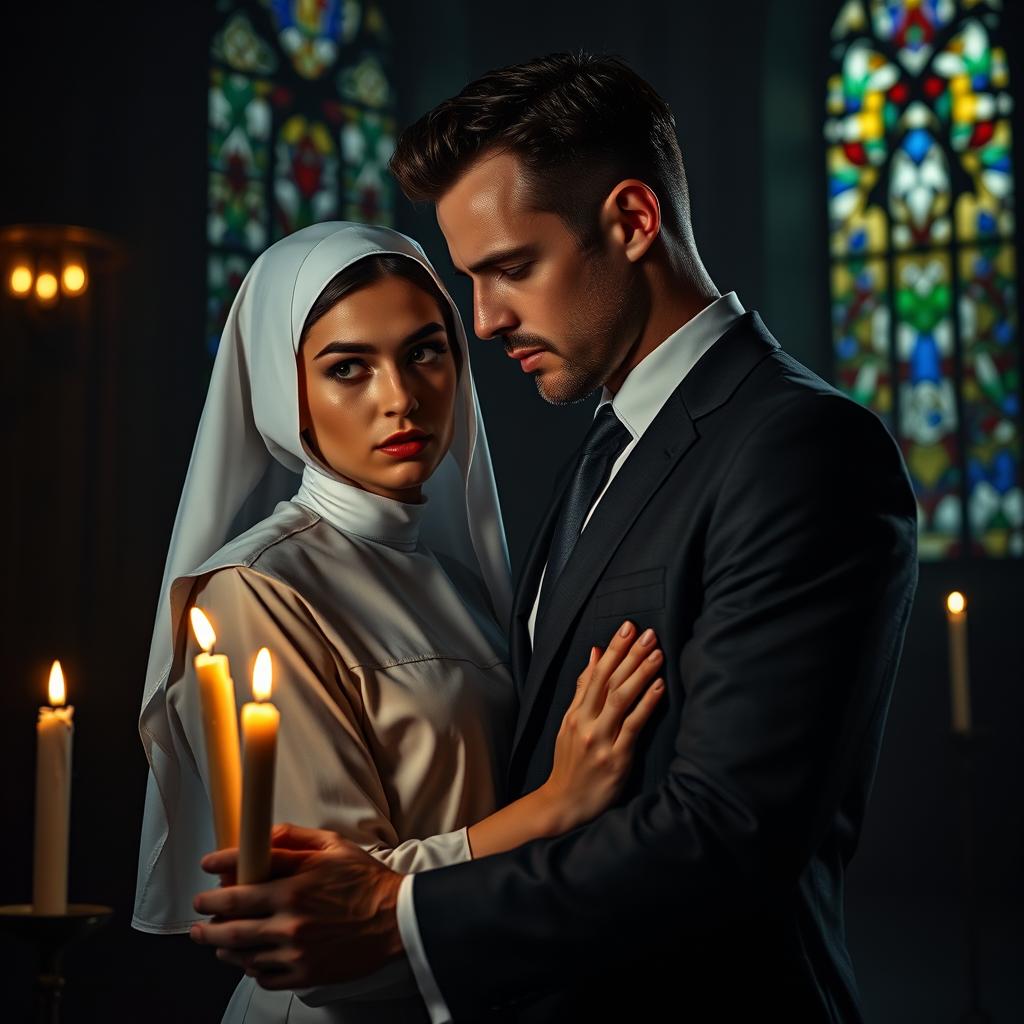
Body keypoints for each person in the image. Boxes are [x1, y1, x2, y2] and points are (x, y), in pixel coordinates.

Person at [190, 54, 919, 1022]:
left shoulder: (802, 446)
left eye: (510, 269)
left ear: (629, 220)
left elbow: (728, 830)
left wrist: (400, 910)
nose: (483, 321)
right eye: (471, 281)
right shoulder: (605, 444)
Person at [132, 221, 666, 1023]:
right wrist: (558, 803)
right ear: (286, 391)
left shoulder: (461, 581)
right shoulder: (254, 591)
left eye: (425, 351)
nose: (401, 397)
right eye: (349, 368)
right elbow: (315, 920)